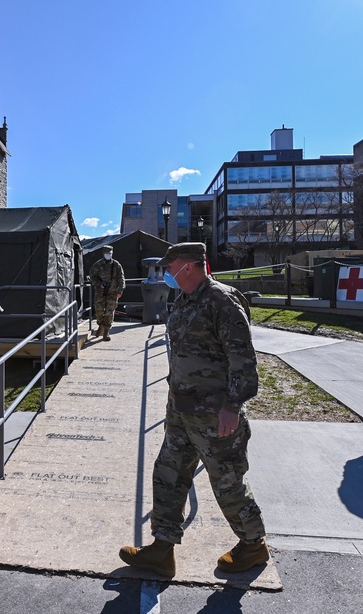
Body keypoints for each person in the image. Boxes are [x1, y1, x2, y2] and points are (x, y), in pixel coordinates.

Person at [119, 242, 269, 578]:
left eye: (169, 266)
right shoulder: (185, 300)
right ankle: (162, 548)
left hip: (216, 415)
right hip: (182, 412)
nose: (166, 273)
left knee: (227, 481)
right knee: (168, 475)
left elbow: (243, 360)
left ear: (187, 266)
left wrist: (233, 405)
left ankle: (253, 544)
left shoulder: (222, 301)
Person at [88, 245, 125, 341]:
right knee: (99, 310)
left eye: (110, 253)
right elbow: (92, 276)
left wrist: (120, 290)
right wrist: (99, 284)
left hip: (112, 292)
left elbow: (121, 278)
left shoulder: (116, 265)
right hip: (100, 292)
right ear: (103, 254)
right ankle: (101, 325)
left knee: (109, 312)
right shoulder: (98, 265)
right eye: (106, 253)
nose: (108, 255)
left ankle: (106, 331)